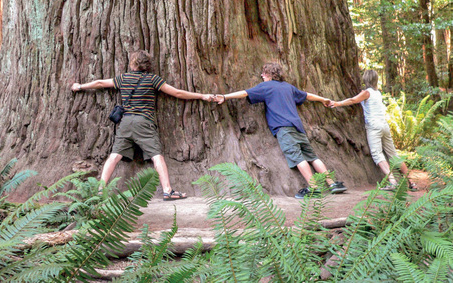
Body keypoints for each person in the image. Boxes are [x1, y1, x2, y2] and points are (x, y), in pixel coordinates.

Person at [71, 50, 215, 201]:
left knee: (114, 156)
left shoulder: (123, 78)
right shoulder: (153, 80)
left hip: (126, 122)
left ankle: (100, 191)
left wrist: (80, 86)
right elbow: (177, 93)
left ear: (133, 63)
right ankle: (167, 190)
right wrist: (202, 96)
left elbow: (100, 83)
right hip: (144, 121)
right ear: (147, 65)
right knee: (156, 156)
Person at [214, 62, 347, 199]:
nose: (261, 76)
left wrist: (225, 97)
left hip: (284, 128)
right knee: (312, 157)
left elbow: (245, 93)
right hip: (298, 128)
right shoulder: (288, 87)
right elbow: (307, 95)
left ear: (268, 75)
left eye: (263, 73)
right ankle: (332, 184)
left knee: (297, 157)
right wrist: (323, 99)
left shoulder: (266, 86)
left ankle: (313, 188)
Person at [330, 69, 417, 191]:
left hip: (374, 127)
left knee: (377, 154)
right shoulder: (377, 93)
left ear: (366, 79)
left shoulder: (367, 93)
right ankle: (411, 182)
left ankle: (392, 182)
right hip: (384, 125)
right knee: (393, 155)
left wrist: (337, 103)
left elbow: (353, 100)